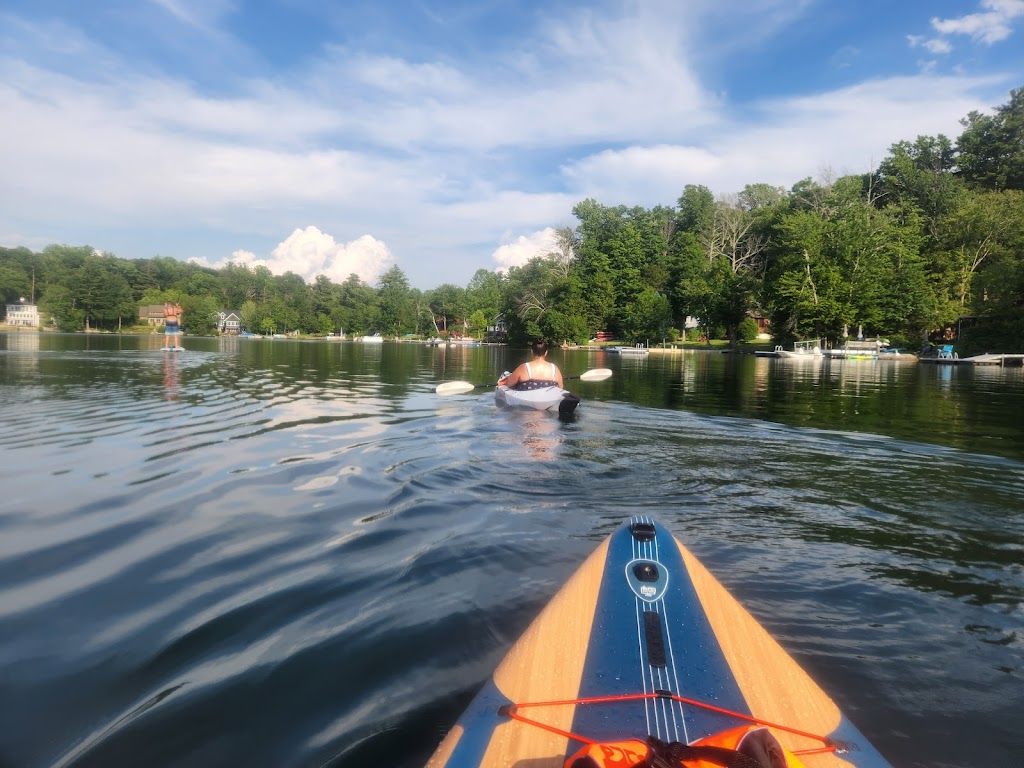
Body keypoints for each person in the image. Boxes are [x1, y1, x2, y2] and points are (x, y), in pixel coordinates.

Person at [498, 340, 564, 390]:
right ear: (546, 353)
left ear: (531, 352)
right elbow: (561, 388)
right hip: (549, 401)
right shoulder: (555, 369)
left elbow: (508, 384)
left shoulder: (524, 368)